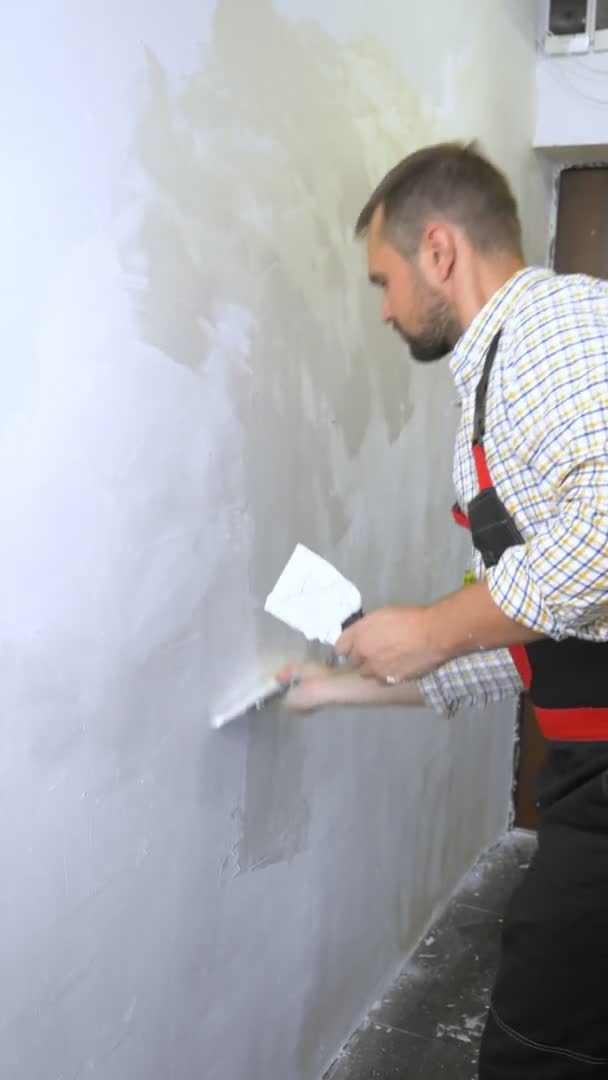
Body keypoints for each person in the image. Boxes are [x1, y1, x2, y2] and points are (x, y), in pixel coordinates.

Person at [278, 142, 608, 1077]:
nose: (382, 306)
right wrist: (353, 684)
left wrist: (429, 627)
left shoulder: (555, 331)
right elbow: (543, 626)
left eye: (384, 279)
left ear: (439, 249)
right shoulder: (499, 377)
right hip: (586, 772)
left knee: (537, 1050)